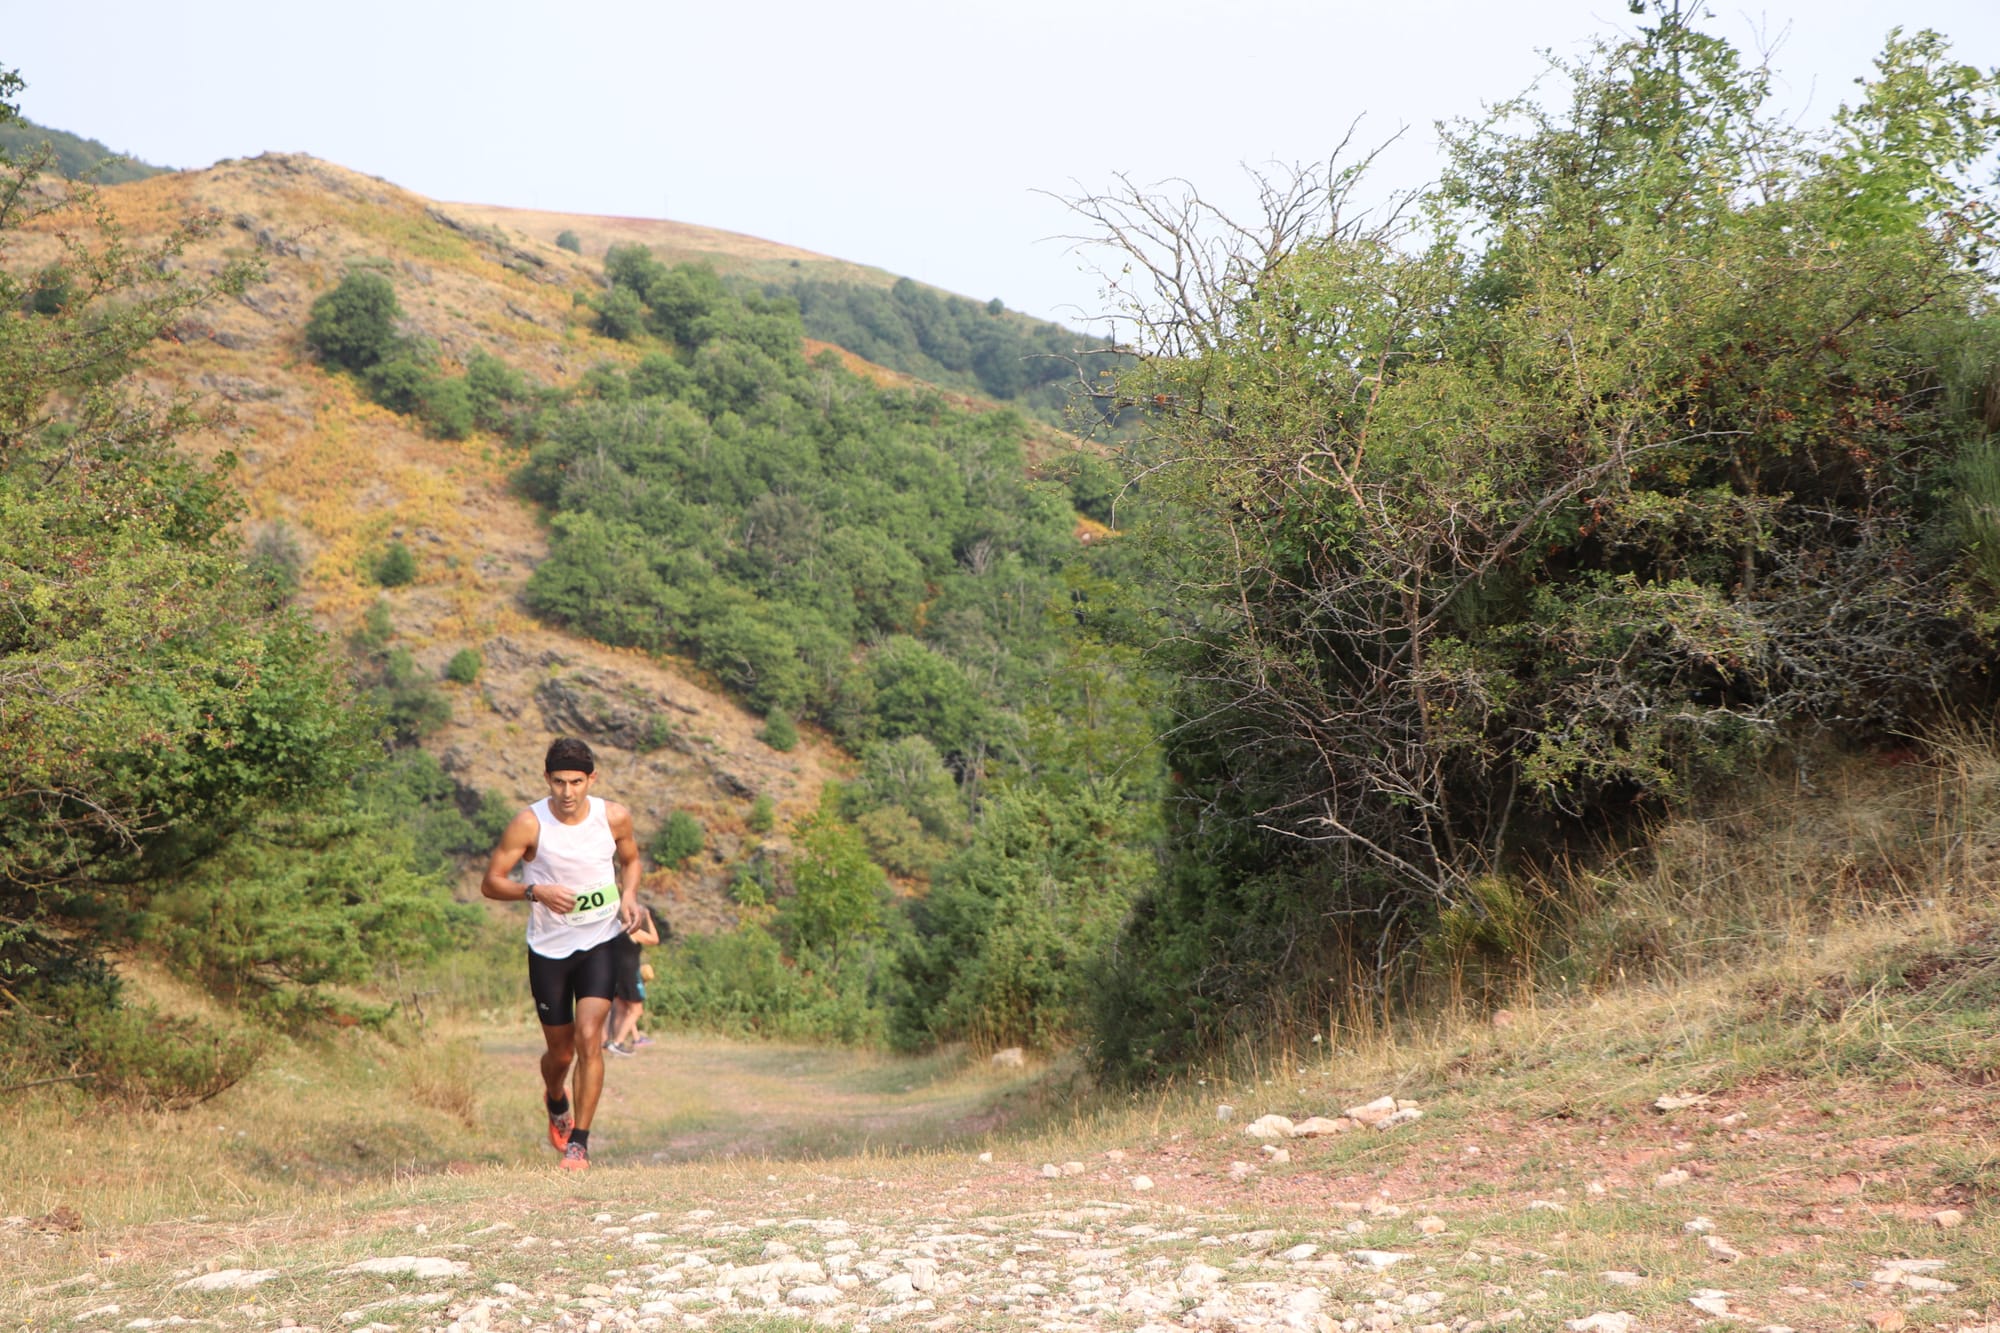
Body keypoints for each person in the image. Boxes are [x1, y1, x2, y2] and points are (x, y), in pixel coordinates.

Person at [481, 737, 642, 1171]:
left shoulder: (613, 817)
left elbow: (630, 861)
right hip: (550, 951)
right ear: (546, 780)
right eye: (558, 782)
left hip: (601, 940)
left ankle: (580, 1144)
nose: (568, 793)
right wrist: (535, 891)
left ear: (592, 779)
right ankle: (556, 1098)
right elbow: (491, 882)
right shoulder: (529, 825)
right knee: (561, 1054)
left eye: (576, 782)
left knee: (591, 1038)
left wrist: (628, 895)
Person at [604, 903, 665, 1056]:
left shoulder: (616, 930)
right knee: (636, 1010)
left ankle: (615, 1044)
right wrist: (648, 919)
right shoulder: (633, 931)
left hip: (615, 974)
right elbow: (654, 940)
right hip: (629, 974)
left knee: (622, 1009)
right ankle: (618, 1043)